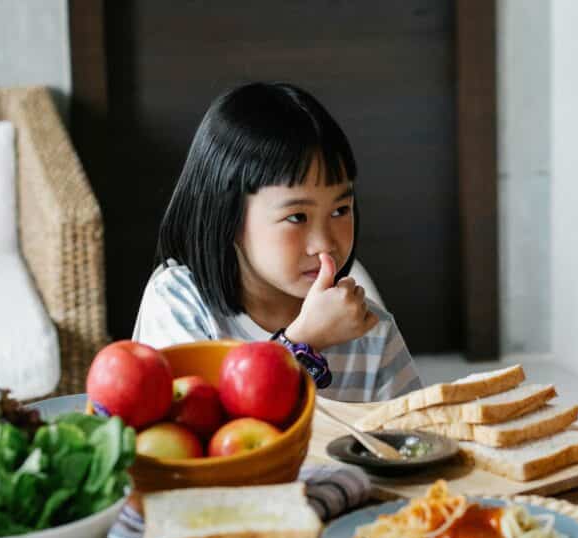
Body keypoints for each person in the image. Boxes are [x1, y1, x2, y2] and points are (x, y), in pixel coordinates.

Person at [133, 82, 422, 402]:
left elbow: (414, 442)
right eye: (297, 217)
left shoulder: (369, 329)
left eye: (340, 210)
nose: (324, 244)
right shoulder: (179, 302)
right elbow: (198, 436)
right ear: (228, 216)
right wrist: (304, 344)